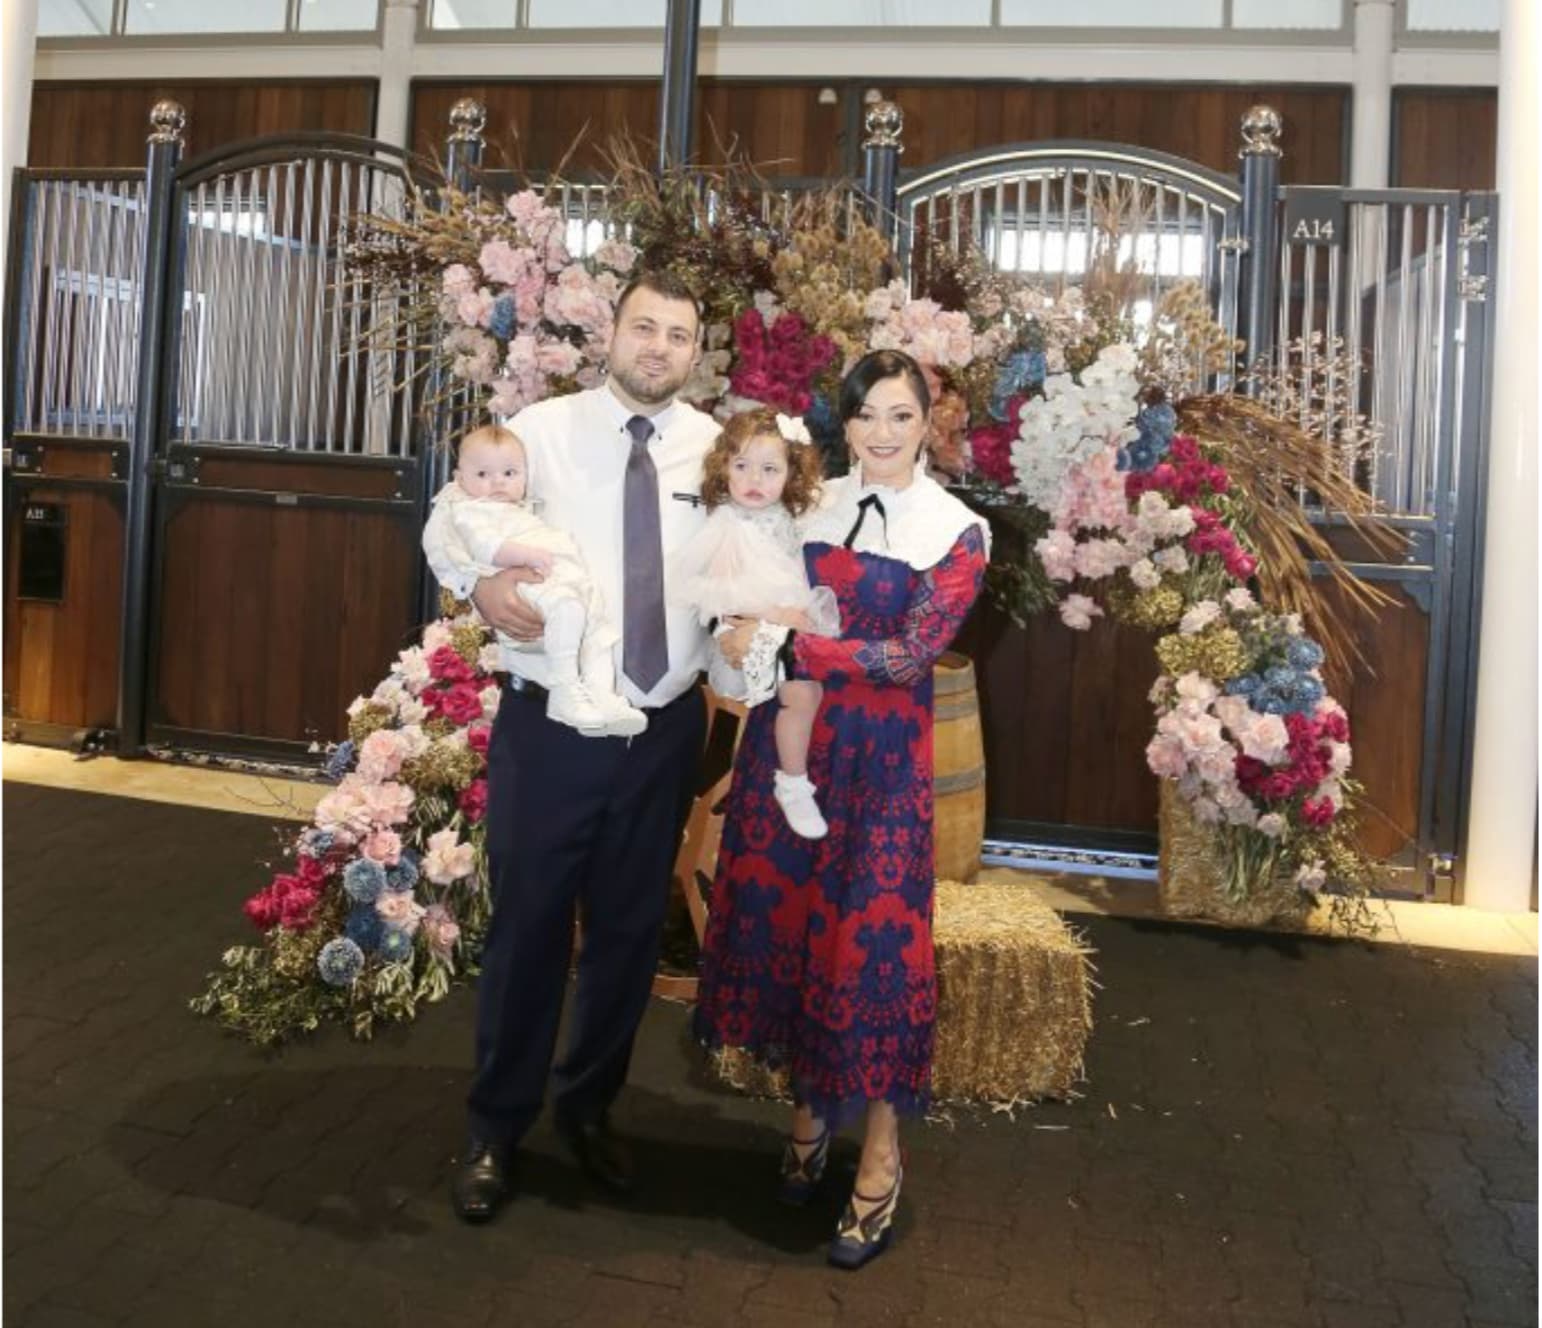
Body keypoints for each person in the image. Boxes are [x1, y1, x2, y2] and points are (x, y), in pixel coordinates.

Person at [422, 271, 719, 1222]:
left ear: (694, 350)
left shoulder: (718, 451)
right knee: (529, 928)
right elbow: (457, 519)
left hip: (662, 729)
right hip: (550, 725)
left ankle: (589, 1109)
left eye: (678, 334)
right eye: (644, 326)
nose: (658, 347)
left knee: (631, 935)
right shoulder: (540, 434)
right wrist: (476, 593)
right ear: (612, 333)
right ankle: (494, 1126)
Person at [693, 349, 989, 1270]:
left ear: (928, 422)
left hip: (883, 769)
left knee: (872, 949)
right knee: (796, 931)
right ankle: (808, 1114)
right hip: (795, 753)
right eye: (868, 415)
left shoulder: (958, 528)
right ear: (845, 422)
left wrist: (800, 647)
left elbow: (909, 654)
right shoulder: (805, 502)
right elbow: (740, 586)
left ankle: (883, 1154)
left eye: (903, 415)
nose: (885, 433)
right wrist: (737, 629)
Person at [669, 407, 839, 838]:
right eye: (741, 466)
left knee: (811, 691)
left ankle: (793, 778)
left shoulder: (785, 518)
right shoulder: (727, 523)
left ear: (790, 475)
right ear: (723, 468)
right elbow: (729, 596)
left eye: (769, 469)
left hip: (779, 621)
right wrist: (782, 617)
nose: (753, 480)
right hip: (740, 627)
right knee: (801, 691)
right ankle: (793, 783)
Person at [426, 423, 646, 737]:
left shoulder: (518, 509)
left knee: (598, 634)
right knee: (568, 612)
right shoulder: (472, 511)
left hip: (559, 576)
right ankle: (564, 689)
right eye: (483, 475)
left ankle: (602, 696)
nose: (497, 482)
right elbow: (485, 548)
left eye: (509, 473)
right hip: (529, 578)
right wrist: (525, 555)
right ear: (460, 479)